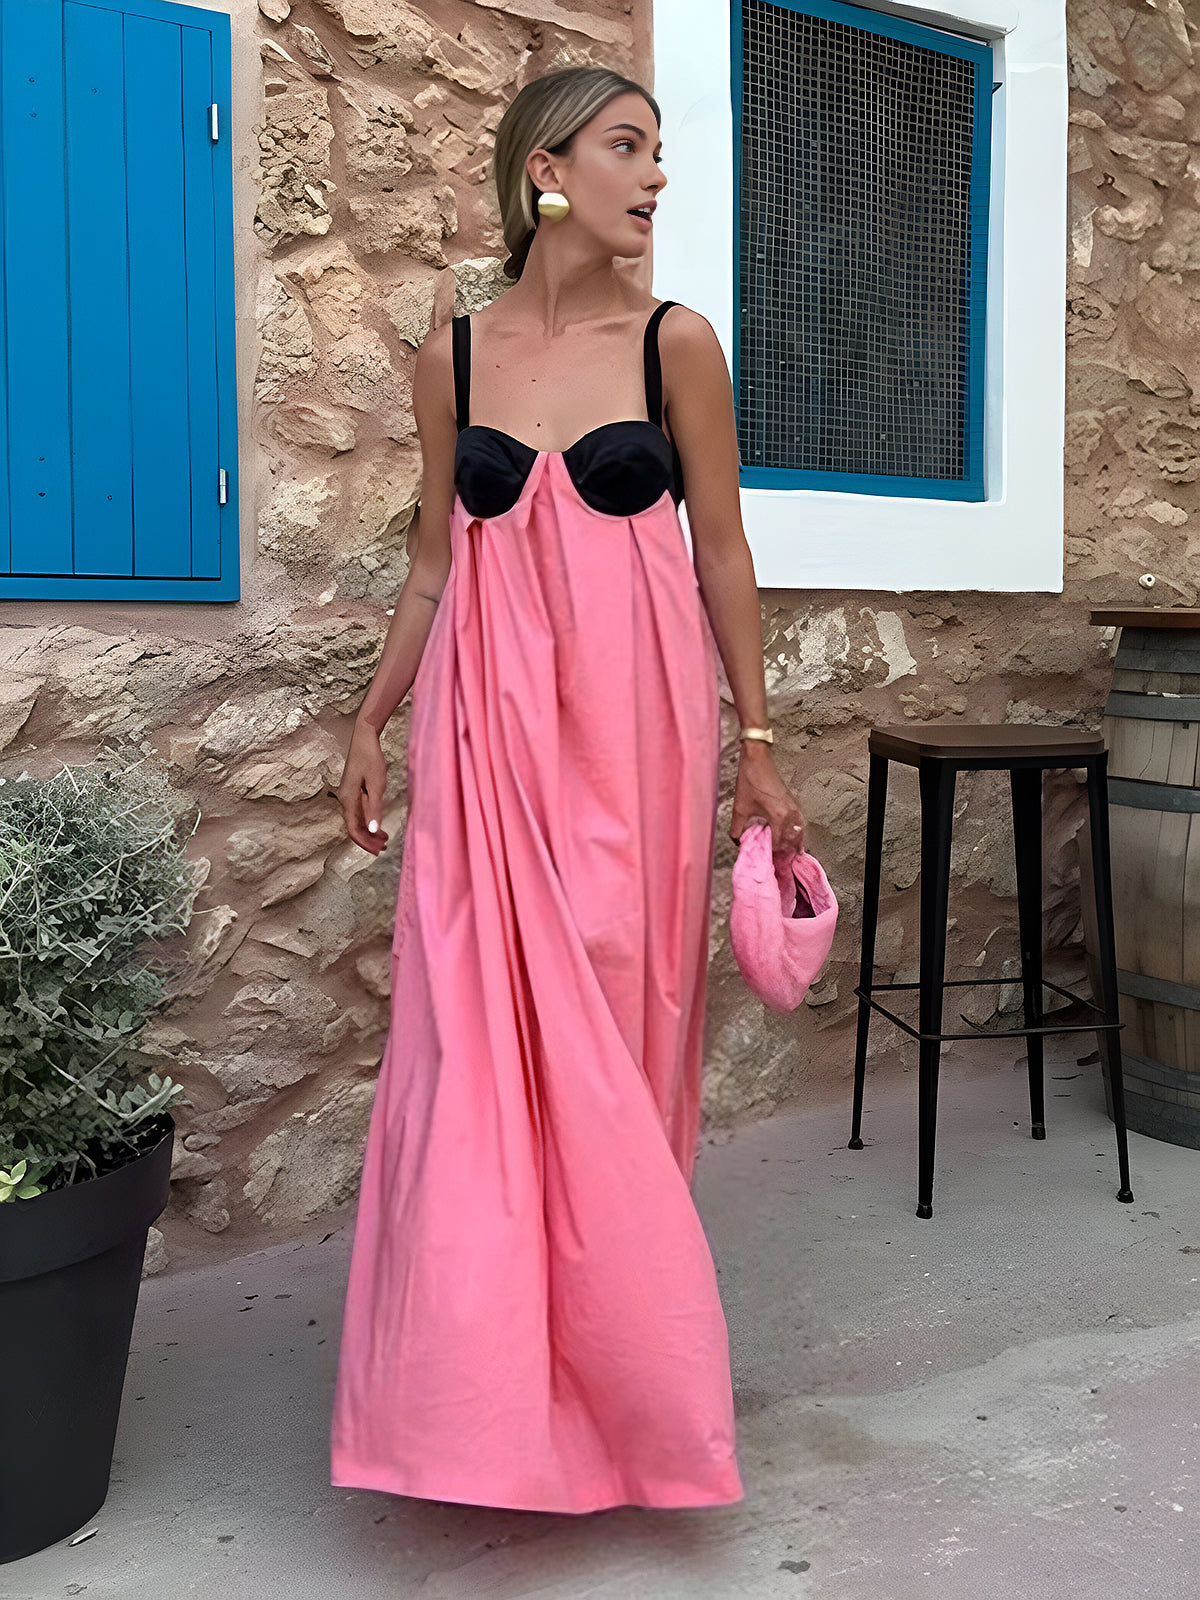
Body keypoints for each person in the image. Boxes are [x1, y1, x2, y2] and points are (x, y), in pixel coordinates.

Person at [330, 64, 804, 1515]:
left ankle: (622, 1403)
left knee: (614, 1030)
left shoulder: (676, 344)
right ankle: (478, 1406)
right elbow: (433, 562)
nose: (655, 177)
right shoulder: (454, 354)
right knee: (468, 1047)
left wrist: (759, 739)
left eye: (657, 153)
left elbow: (722, 550)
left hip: (633, 735)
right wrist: (371, 718)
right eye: (627, 147)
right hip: (486, 738)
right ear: (548, 170)